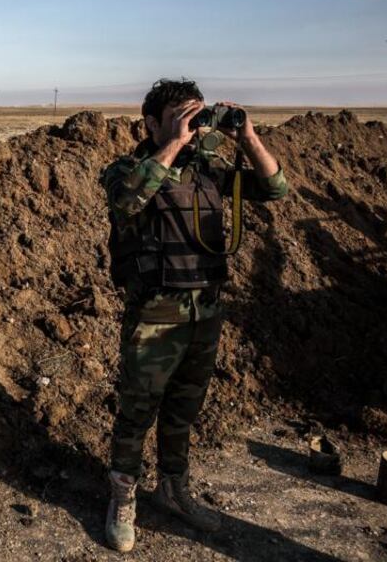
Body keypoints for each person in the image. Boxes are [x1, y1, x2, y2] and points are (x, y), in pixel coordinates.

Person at [100, 78, 287, 552]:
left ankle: (172, 487)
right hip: (155, 312)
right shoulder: (127, 168)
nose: (192, 126)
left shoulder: (210, 169)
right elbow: (127, 200)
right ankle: (123, 496)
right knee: (137, 410)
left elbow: (275, 189)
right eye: (179, 117)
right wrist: (175, 142)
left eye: (196, 116)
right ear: (150, 123)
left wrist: (248, 138)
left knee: (184, 407)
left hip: (206, 309)